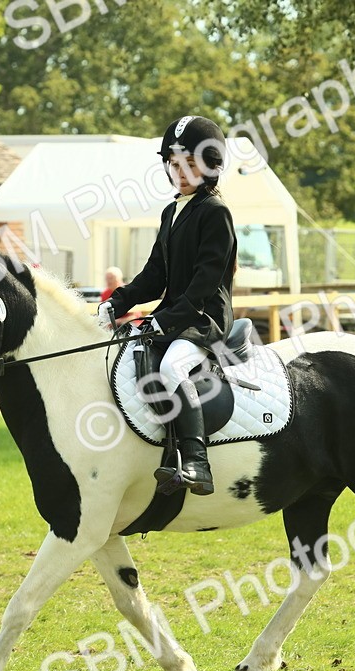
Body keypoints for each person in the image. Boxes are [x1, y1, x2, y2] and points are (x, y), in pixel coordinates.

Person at [98, 115, 237, 496]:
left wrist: (165, 320)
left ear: (210, 166)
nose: (180, 172)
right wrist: (117, 301)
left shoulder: (215, 213)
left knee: (175, 365)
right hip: (173, 315)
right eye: (174, 164)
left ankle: (196, 461)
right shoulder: (171, 212)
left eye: (190, 164)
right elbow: (154, 275)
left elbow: (203, 285)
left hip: (203, 318)